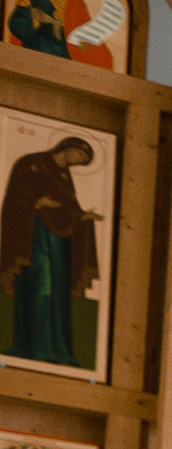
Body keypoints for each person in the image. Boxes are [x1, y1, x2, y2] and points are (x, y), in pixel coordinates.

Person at [0, 134, 100, 370]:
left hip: (59, 244)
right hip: (34, 238)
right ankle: (34, 347)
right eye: (79, 156)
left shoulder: (65, 176)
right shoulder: (30, 163)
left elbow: (69, 210)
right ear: (68, 147)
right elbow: (14, 199)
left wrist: (84, 218)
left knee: (59, 293)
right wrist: (36, 203)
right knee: (39, 287)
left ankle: (59, 350)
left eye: (83, 161)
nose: (78, 162)